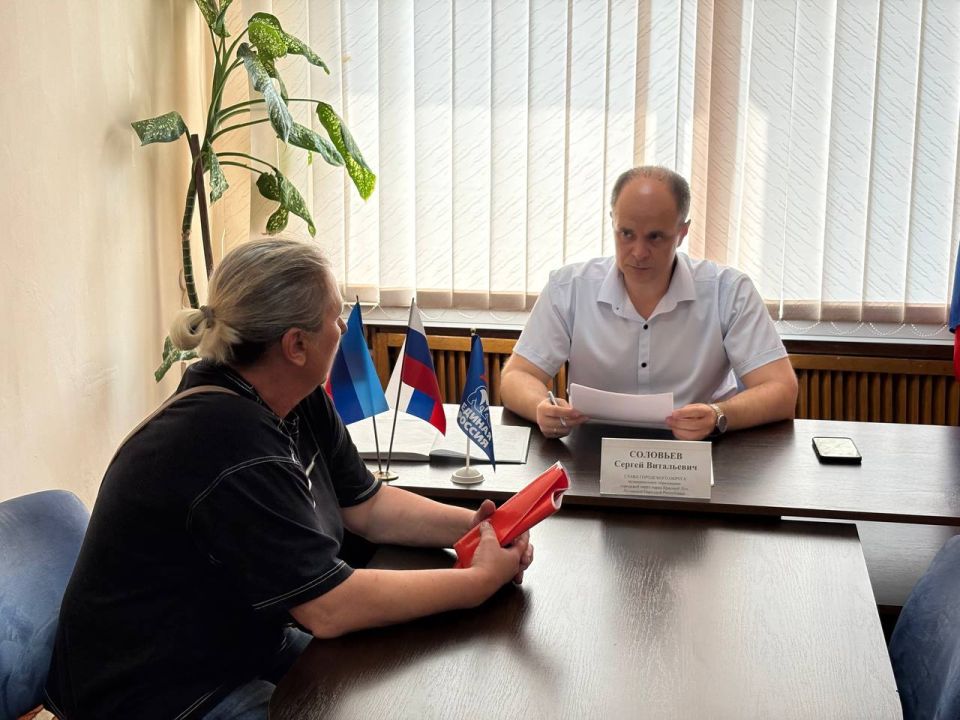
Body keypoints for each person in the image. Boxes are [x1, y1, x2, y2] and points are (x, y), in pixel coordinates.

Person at [44, 239, 533, 720]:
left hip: (237, 643)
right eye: (334, 316)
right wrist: (475, 582)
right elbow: (330, 608)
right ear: (296, 344)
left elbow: (369, 506)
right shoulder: (226, 438)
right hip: (156, 690)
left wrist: (480, 528)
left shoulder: (293, 396)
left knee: (399, 678)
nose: (343, 327)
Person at [500, 166, 798, 441]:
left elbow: (782, 390)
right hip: (591, 450)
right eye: (626, 234)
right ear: (612, 222)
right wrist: (541, 407)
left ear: (682, 232)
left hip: (700, 450)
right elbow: (517, 376)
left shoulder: (728, 291)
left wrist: (719, 415)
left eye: (655, 237)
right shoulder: (569, 287)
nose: (639, 252)